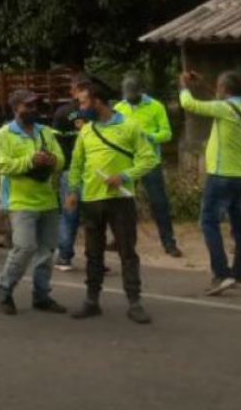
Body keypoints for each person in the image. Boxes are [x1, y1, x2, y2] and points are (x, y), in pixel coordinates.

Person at [66, 82, 158, 324]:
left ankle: (134, 302)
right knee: (92, 253)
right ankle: (91, 300)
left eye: (84, 102)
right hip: (92, 200)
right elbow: (76, 164)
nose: (80, 107)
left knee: (127, 251)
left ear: (97, 102)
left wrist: (125, 176)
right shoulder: (86, 131)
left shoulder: (129, 125)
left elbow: (149, 159)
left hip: (120, 200)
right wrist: (73, 190)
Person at [179, 71, 241, 296]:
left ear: (224, 89)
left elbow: (190, 104)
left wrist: (184, 86)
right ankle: (240, 274)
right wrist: (204, 84)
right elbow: (222, 100)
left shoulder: (223, 109)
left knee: (208, 222)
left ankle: (221, 273)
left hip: (221, 174)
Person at [0, 89, 67, 315]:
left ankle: (42, 295)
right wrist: (31, 161)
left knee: (47, 251)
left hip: (48, 201)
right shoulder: (4, 135)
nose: (33, 110)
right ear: (16, 108)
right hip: (20, 201)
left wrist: (51, 160)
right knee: (25, 247)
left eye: (35, 106)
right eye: (28, 106)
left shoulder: (45, 132)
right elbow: (3, 165)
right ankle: (4, 289)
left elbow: (62, 160)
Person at [115, 71, 182, 257]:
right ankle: (124, 241)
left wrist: (148, 137)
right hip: (128, 163)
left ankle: (169, 243)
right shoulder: (119, 108)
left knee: (159, 203)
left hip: (151, 162)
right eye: (126, 95)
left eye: (132, 95)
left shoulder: (155, 107)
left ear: (140, 91)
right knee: (124, 204)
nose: (129, 99)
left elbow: (167, 134)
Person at [51, 102, 82, 271]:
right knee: (78, 215)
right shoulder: (99, 111)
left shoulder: (63, 111)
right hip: (85, 171)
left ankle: (64, 257)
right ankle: (96, 259)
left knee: (69, 214)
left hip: (71, 170)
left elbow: (56, 144)